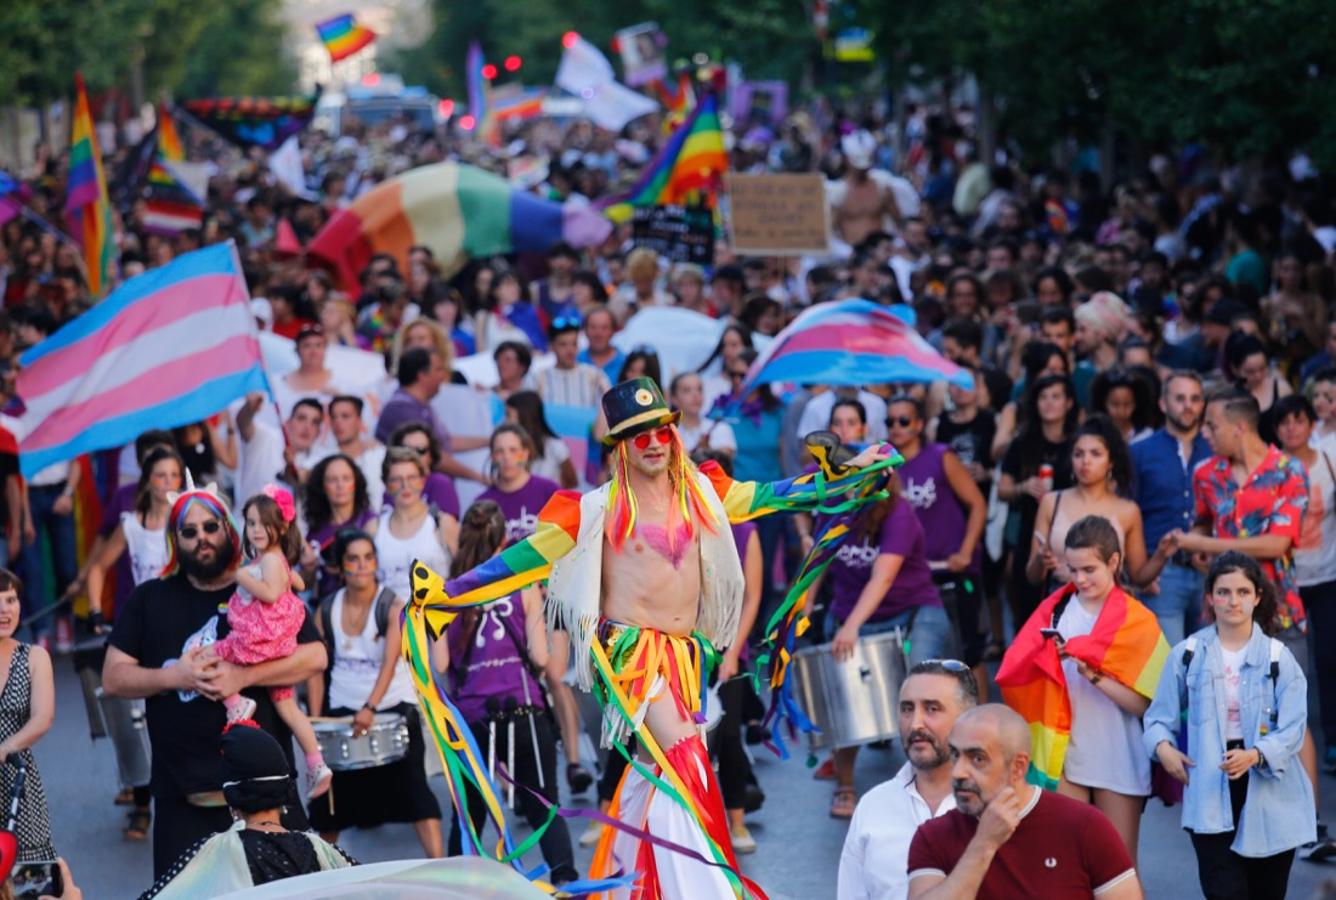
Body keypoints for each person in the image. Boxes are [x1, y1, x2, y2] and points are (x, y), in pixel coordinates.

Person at [405, 376, 892, 897]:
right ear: (619, 446)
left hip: (686, 655)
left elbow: (770, 497)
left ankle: (631, 888)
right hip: (633, 654)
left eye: (661, 428)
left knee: (648, 776)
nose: (655, 441)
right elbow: (520, 562)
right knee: (686, 759)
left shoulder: (703, 490)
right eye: (639, 435)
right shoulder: (594, 510)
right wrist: (448, 596)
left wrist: (842, 480)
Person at [103, 478, 328, 878]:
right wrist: (176, 676)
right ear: (175, 540)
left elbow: (315, 656)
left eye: (211, 527)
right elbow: (115, 677)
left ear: (229, 529)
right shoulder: (149, 598)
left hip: (268, 798)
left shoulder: (264, 587)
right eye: (188, 532)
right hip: (183, 797)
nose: (201, 538)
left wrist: (244, 674)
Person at [997, 515, 1168, 861]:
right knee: (1065, 867)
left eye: (1089, 569)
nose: (1079, 579)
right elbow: (1015, 674)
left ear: (1114, 562)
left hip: (1119, 756)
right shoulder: (1053, 612)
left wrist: (1093, 674)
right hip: (1062, 758)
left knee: (1119, 869)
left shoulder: (1139, 621)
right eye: (1072, 569)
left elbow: (1147, 705)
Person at [1145, 552, 1314, 900]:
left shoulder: (1279, 658)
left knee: (1266, 891)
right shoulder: (1188, 653)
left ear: (1257, 597)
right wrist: (1164, 750)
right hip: (1210, 786)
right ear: (1209, 597)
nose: (1232, 601)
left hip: (1270, 791)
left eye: (1242, 591)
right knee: (1223, 891)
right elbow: (1157, 717)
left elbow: (1295, 728)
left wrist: (1255, 755)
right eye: (1223, 592)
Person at [433, 502, 578, 884]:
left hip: (471, 719)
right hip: (521, 708)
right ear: (503, 540)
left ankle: (454, 886)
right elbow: (541, 657)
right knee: (543, 807)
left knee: (469, 814)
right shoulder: (524, 585)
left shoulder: (449, 592)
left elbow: (442, 664)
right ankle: (566, 882)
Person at [812, 468, 950, 818]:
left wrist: (852, 626)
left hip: (912, 610)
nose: (853, 486)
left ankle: (933, 781)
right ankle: (845, 784)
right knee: (845, 699)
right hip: (851, 613)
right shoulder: (833, 509)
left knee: (923, 692)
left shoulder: (898, 512)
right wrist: (798, 614)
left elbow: (883, 575)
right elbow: (816, 565)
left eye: (862, 478)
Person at [906, 704, 1142, 899]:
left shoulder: (1084, 826)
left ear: (1018, 767)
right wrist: (984, 844)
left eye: (977, 758)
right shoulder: (932, 837)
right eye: (955, 755)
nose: (958, 772)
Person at [307, 531, 442, 857]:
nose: (362, 566)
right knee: (329, 806)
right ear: (341, 567)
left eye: (369, 558)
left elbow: (390, 661)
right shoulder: (326, 609)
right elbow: (315, 668)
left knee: (417, 798)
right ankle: (319, 876)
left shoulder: (392, 605)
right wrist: (316, 720)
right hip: (342, 712)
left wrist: (370, 707)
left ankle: (440, 871)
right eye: (353, 559)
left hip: (391, 708)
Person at [79, 446, 184, 839]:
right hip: (143, 628)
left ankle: (178, 795)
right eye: (160, 476)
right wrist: (95, 613)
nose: (168, 484)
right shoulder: (133, 524)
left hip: (181, 627)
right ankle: (142, 803)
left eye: (174, 476)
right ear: (147, 481)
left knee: (176, 714)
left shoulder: (189, 520)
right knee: (134, 719)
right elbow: (99, 568)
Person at [205, 487, 332, 797]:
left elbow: (272, 593)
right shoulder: (274, 560)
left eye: (263, 523)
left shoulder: (269, 561)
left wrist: (240, 575)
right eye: (250, 523)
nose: (256, 530)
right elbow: (297, 582)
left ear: (281, 527)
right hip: (275, 645)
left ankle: (236, 702)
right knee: (286, 704)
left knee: (208, 655)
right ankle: (316, 762)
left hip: (259, 641)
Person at [140, 721, 354, 898]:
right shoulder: (318, 848)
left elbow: (157, 896)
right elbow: (370, 882)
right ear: (285, 791)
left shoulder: (215, 851)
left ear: (231, 798)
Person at [838, 660, 978, 900]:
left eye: (932, 709)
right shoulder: (873, 806)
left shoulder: (997, 805)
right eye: (906, 709)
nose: (915, 724)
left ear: (967, 718)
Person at [886, 395, 988, 683]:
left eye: (904, 420)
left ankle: (978, 722)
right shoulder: (886, 469)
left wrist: (966, 552)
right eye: (890, 421)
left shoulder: (941, 456)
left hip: (954, 570)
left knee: (970, 653)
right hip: (913, 578)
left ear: (919, 424)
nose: (896, 427)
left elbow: (978, 504)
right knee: (925, 659)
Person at [1272, 395, 1336, 774]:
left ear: (1312, 425)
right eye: (1284, 422)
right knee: (1291, 664)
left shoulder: (1327, 463)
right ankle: (1294, 740)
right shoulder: (1273, 470)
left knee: (1329, 657)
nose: (1291, 428)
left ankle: (1331, 737)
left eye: (1299, 420)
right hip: (1286, 579)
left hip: (1327, 574)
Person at [1026, 415, 1161, 590]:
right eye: (1078, 454)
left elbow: (1138, 576)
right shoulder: (1051, 502)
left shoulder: (1128, 510)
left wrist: (1162, 555)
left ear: (1111, 461)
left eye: (1096, 454)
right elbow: (1032, 577)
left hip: (1108, 607)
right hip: (1062, 602)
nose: (1086, 461)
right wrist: (1039, 560)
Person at [1130, 371, 1212, 645]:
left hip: (1210, 573)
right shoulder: (1139, 452)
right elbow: (1129, 514)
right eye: (1180, 398)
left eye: (1195, 399)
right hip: (1161, 573)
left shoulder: (1216, 449)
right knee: (1170, 670)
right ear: (1163, 404)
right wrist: (1142, 571)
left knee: (1211, 670)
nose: (1188, 405)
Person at [996, 374, 1077, 623]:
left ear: (1069, 403)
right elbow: (1002, 489)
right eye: (1043, 397)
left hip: (1071, 537)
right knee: (1030, 617)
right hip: (1031, 534)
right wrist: (1022, 487)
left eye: (1056, 396)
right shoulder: (1022, 442)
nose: (1049, 403)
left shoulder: (1079, 443)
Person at [0, 569, 56, 862]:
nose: (4, 610)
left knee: (26, 877)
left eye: (11, 599)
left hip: (16, 778)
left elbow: (43, 718)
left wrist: (5, 749)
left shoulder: (34, 656)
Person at [374, 347, 487, 484]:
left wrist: (488, 442)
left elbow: (446, 442)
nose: (443, 376)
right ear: (422, 375)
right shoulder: (402, 409)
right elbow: (435, 456)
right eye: (438, 369)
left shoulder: (419, 405)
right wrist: (479, 477)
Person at [372, 448, 456, 599]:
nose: (405, 485)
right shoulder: (374, 528)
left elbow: (464, 573)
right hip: (388, 619)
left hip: (436, 618)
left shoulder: (444, 523)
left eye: (412, 477)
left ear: (423, 480)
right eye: (396, 479)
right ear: (385, 483)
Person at [300, 454, 375, 598]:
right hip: (325, 606)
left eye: (346, 479)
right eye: (332, 480)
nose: (340, 485)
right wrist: (309, 571)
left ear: (356, 483)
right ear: (323, 487)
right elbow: (306, 584)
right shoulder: (315, 532)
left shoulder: (370, 522)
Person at [477, 424, 561, 543]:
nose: (507, 457)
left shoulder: (550, 492)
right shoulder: (482, 504)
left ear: (526, 454)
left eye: (513, 450)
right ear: (492, 457)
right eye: (500, 451)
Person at [533, 314, 611, 409]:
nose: (570, 350)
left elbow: (609, 407)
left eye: (574, 344)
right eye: (563, 344)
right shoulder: (538, 378)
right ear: (552, 347)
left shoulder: (595, 375)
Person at [505, 391, 579, 489]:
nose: (505, 420)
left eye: (508, 415)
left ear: (524, 416)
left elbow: (572, 481)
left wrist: (549, 494)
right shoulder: (510, 448)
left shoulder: (555, 446)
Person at [388, 422, 462, 518]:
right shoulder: (391, 484)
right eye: (407, 450)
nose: (414, 455)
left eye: (421, 450)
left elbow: (447, 527)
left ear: (431, 456)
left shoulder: (440, 483)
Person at [324, 395, 386, 508]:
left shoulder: (380, 455)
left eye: (345, 416)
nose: (338, 422)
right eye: (334, 417)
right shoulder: (322, 458)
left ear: (359, 420)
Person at [670, 372, 737, 458]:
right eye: (687, 390)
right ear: (674, 399)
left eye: (699, 389)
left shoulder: (720, 428)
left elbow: (726, 461)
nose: (695, 395)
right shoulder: (669, 433)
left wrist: (707, 451)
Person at [578, 307, 625, 384]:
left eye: (604, 328)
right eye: (593, 327)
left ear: (613, 331)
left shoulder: (625, 363)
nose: (598, 333)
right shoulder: (575, 361)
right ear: (585, 331)